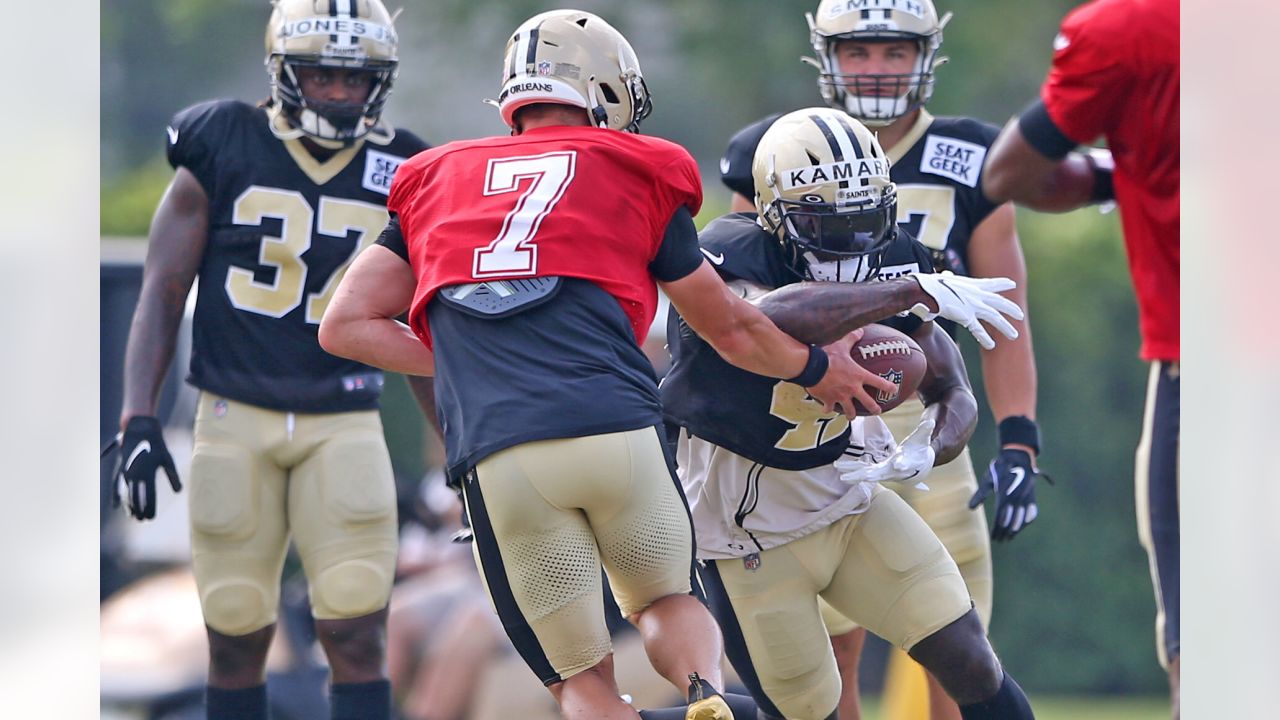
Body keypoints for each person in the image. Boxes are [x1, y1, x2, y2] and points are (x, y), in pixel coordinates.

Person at [317, 10, 906, 720]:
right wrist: (815, 369)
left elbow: (345, 325)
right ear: (601, 89)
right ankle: (704, 692)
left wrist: (486, 355)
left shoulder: (430, 176)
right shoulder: (640, 166)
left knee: (580, 681)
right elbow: (730, 327)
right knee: (667, 600)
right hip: (617, 428)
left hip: (503, 449)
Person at [718, 2, 1046, 717]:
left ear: (926, 55)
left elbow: (1005, 317)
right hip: (812, 426)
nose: (875, 68)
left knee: (958, 650)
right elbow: (742, 311)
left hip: (923, 420)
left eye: (893, 51)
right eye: (858, 51)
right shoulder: (775, 148)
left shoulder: (973, 156)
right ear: (826, 57)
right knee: (830, 662)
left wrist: (1018, 435)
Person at [108, 1, 431, 718]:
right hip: (233, 415)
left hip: (343, 415)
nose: (343, 94)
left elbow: (418, 322)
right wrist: (138, 419)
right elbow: (163, 291)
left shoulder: (405, 165)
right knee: (232, 631)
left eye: (359, 79)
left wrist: (460, 445)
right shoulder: (222, 138)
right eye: (324, 76)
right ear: (284, 70)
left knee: (354, 629)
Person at [980, 0, 1179, 715]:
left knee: (1212, 634)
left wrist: (1118, 170)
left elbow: (1012, 174)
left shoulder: (1127, 30)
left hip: (1219, 361)